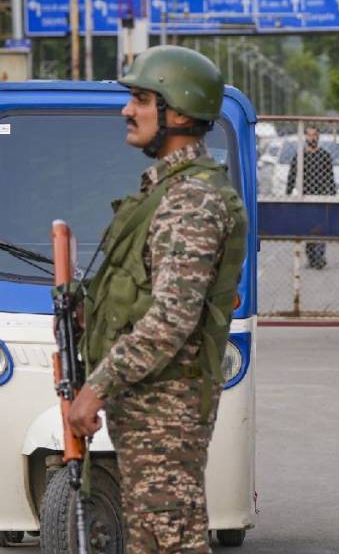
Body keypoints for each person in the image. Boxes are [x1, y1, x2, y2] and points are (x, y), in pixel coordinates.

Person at [67, 45, 248, 553]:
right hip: (150, 406)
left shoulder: (193, 199)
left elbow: (171, 319)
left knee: (172, 540)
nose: (128, 110)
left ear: (181, 111)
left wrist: (97, 387)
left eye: (143, 99)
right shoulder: (169, 191)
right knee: (150, 539)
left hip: (167, 409)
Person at [287, 126, 336, 269]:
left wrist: (332, 196)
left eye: (314, 135)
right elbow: (291, 176)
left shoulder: (325, 155)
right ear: (305, 137)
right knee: (308, 229)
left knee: (320, 228)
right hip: (305, 197)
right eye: (309, 135)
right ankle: (312, 257)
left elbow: (330, 178)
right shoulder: (300, 156)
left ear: (318, 137)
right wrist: (287, 194)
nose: (312, 138)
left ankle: (319, 257)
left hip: (321, 197)